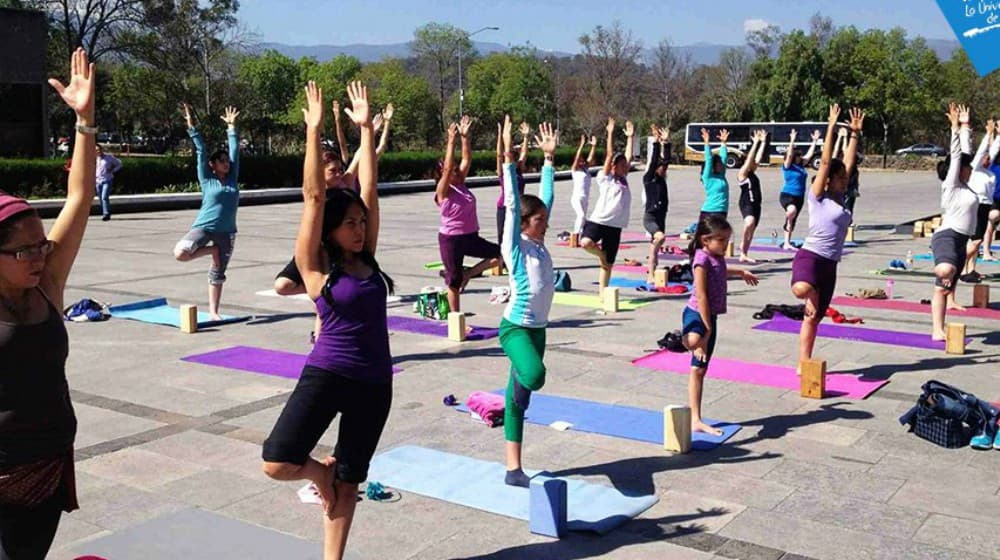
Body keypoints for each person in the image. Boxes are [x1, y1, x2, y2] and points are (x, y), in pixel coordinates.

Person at [262, 81, 392, 560]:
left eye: (362, 223)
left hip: (374, 383)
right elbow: (314, 196)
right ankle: (319, 474)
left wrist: (365, 132)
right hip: (326, 374)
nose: (359, 230)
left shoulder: (370, 260)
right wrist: (314, 132)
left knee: (352, 477)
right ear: (332, 232)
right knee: (277, 461)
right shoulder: (317, 271)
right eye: (350, 224)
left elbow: (372, 190)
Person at [0, 47, 95, 559]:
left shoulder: (45, 282)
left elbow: (79, 198)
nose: (39, 256)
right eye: (23, 250)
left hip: (45, 469)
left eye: (41, 244)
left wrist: (84, 121)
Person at [499, 117, 557, 487]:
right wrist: (508, 159)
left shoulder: (540, 245)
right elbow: (514, 208)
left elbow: (545, 198)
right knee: (533, 376)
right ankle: (511, 398)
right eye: (540, 219)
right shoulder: (515, 246)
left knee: (517, 401)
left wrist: (549, 160)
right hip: (516, 329)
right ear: (524, 223)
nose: (546, 223)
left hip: (539, 331)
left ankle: (512, 469)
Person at [790, 105, 864, 366]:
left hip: (830, 265)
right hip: (810, 257)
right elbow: (824, 163)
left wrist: (854, 134)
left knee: (813, 318)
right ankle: (808, 294)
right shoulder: (817, 196)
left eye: (845, 177)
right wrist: (831, 127)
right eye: (840, 177)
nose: (845, 179)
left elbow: (849, 163)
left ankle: (804, 361)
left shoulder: (840, 197)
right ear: (828, 180)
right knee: (801, 290)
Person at [682, 215, 758, 435]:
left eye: (727, 240)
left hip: (710, 318)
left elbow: (720, 272)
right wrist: (706, 331)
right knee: (696, 341)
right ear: (706, 240)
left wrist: (740, 272)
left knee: (699, 369)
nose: (726, 245)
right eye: (722, 240)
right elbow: (703, 296)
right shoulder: (701, 259)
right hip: (696, 313)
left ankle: (696, 418)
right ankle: (681, 340)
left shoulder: (716, 257)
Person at [173, 102, 241, 321]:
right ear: (212, 165)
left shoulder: (232, 180)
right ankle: (210, 252)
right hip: (203, 228)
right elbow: (201, 150)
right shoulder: (207, 179)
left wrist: (231, 128)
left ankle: (214, 312)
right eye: (221, 161)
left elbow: (235, 152)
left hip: (226, 233)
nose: (226, 163)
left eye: (226, 161)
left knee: (218, 274)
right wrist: (191, 125)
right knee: (181, 253)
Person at [436, 116, 501, 314]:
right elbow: (447, 168)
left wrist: (465, 137)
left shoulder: (462, 184)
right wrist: (451, 140)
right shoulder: (443, 190)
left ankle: (469, 274)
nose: (456, 171)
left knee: (501, 254)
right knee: (453, 282)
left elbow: (467, 158)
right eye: (452, 171)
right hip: (451, 240)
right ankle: (456, 319)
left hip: (470, 236)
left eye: (457, 170)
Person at [930, 104, 981, 340]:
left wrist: (966, 126)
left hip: (961, 239)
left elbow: (968, 153)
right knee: (944, 273)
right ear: (958, 170)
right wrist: (954, 128)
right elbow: (958, 155)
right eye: (967, 168)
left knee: (949, 285)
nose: (971, 169)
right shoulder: (951, 186)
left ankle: (947, 308)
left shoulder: (967, 186)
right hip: (947, 236)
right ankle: (937, 330)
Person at [580, 117, 634, 295]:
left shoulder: (624, 179)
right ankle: (601, 255)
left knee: (608, 265)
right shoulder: (605, 179)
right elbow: (610, 155)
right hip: (599, 221)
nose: (624, 165)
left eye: (624, 164)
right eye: (620, 164)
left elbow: (628, 156)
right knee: (586, 242)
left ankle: (603, 293)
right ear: (613, 167)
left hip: (615, 226)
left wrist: (630, 138)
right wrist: (610, 133)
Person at [960, 119, 999, 283]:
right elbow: (985, 148)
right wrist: (990, 134)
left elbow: (994, 150)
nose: (987, 159)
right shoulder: (975, 166)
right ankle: (960, 265)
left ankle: (971, 269)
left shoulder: (989, 172)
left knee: (977, 241)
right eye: (985, 157)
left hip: (984, 207)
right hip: (974, 206)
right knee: (975, 241)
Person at [779, 129, 820, 250]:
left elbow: (810, 154)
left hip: (799, 196)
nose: (798, 157)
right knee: (791, 211)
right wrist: (792, 140)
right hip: (787, 195)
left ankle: (787, 242)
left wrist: (815, 141)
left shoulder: (801, 165)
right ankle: (787, 225)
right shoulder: (787, 166)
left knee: (793, 219)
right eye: (796, 155)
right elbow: (789, 154)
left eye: (798, 155)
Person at [643, 125, 671, 284]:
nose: (664, 170)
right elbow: (654, 160)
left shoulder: (661, 180)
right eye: (662, 168)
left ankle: (651, 273)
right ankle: (650, 272)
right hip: (650, 218)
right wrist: (655, 142)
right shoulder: (649, 178)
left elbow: (666, 160)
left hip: (661, 217)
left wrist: (666, 142)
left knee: (656, 247)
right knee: (659, 238)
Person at [495, 122, 529, 244]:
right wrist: (500, 135)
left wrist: (525, 137)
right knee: (502, 235)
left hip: (519, 206)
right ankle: (502, 261)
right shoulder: (503, 171)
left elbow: (524, 153)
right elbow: (499, 155)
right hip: (503, 206)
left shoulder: (518, 169)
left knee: (518, 234)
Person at [736, 129, 767, 263]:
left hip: (756, 204)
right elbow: (750, 159)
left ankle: (745, 253)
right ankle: (742, 248)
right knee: (749, 222)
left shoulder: (752, 173)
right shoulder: (742, 173)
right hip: (746, 202)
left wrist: (763, 142)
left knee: (752, 230)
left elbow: (757, 159)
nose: (754, 162)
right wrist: (755, 143)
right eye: (751, 161)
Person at [699, 127, 730, 221]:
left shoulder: (721, 176)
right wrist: (707, 143)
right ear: (713, 166)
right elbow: (708, 159)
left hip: (722, 212)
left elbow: (724, 158)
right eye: (718, 164)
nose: (721, 166)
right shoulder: (707, 177)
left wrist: (724, 143)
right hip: (709, 212)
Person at [570, 134, 597, 235]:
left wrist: (593, 146)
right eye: (579, 160)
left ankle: (581, 234)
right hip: (577, 198)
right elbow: (577, 157)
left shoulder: (585, 169)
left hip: (585, 198)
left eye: (582, 160)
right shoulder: (575, 169)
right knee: (581, 215)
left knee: (583, 218)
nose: (581, 161)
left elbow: (590, 157)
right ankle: (575, 234)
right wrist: (581, 145)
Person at [94, 144, 122, 221]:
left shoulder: (109, 157)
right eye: (96, 150)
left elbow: (119, 164)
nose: (98, 151)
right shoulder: (94, 159)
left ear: (102, 150)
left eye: (99, 150)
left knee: (104, 197)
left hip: (107, 180)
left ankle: (106, 214)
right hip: (98, 181)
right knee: (101, 198)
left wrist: (112, 170)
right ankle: (105, 211)